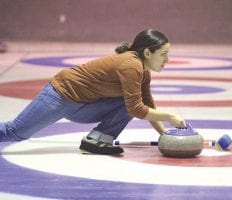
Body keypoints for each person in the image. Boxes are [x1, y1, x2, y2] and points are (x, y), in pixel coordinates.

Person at [0, 29, 186, 154]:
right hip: (59, 96)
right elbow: (137, 109)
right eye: (163, 54)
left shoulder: (143, 72)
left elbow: (146, 105)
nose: (167, 59)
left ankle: (97, 140)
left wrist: (163, 134)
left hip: (82, 105)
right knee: (15, 132)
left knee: (129, 102)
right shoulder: (131, 66)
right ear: (147, 53)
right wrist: (169, 116)